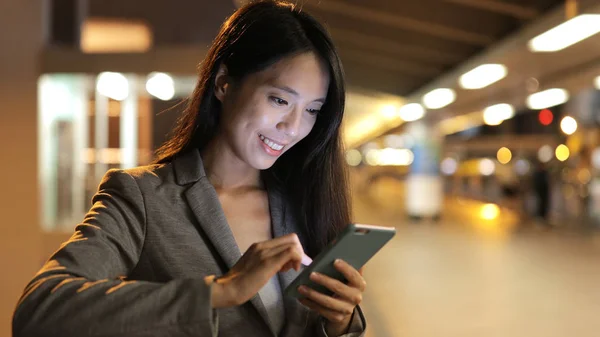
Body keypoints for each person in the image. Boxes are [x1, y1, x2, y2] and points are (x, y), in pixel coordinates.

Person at [12, 1, 367, 336]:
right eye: (279, 100)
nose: (292, 127)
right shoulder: (143, 197)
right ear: (223, 83)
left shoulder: (304, 201)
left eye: (312, 110)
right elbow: (40, 310)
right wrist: (220, 292)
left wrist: (339, 323)